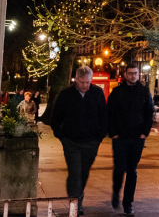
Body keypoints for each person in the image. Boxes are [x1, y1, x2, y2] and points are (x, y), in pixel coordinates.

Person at [50, 66, 108, 215]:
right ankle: (75, 202)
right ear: (76, 80)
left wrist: (99, 137)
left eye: (88, 82)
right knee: (75, 172)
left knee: (84, 172)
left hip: (91, 141)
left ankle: (77, 196)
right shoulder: (66, 95)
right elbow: (55, 117)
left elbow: (104, 117)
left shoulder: (97, 93)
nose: (85, 85)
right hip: (71, 141)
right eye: (82, 82)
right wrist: (61, 136)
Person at [108, 64, 154, 216]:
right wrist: (113, 133)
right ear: (125, 74)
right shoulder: (117, 92)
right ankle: (116, 193)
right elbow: (110, 114)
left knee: (132, 171)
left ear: (138, 74)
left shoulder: (144, 92)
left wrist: (144, 133)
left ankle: (128, 203)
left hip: (137, 137)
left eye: (135, 73)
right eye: (130, 73)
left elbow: (149, 113)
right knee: (120, 168)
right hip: (120, 137)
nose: (133, 76)